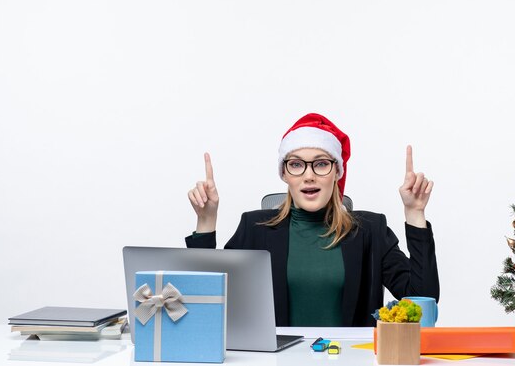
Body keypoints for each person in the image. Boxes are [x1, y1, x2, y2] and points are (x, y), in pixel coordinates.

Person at [185, 113, 439, 327]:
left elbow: (423, 300)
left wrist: (415, 214)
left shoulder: (370, 231)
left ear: (337, 171)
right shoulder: (254, 229)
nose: (309, 176)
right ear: (284, 173)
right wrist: (206, 222)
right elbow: (205, 307)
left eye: (320, 164)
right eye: (296, 165)